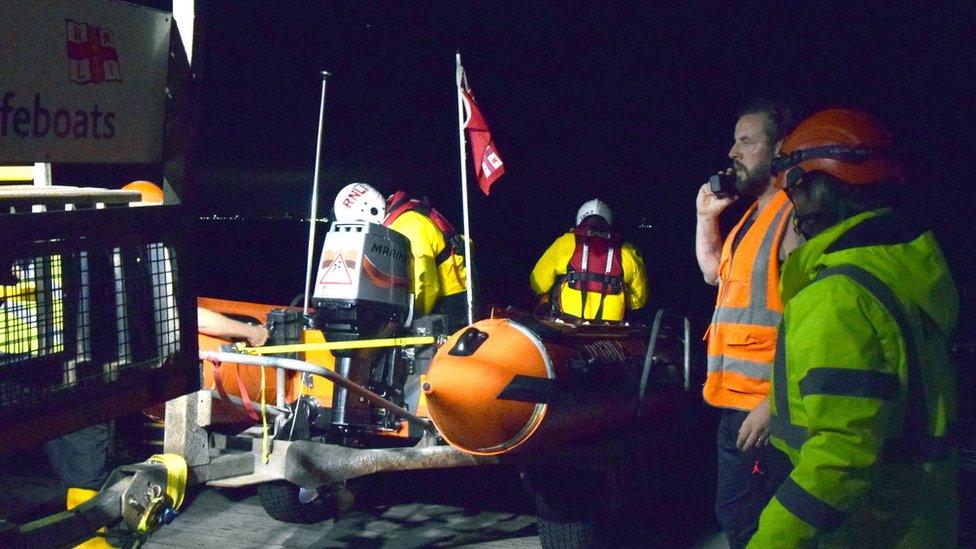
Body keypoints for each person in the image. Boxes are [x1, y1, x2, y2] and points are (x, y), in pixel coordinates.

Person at [747, 108, 958, 547]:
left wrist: (771, 541)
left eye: (799, 193)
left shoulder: (839, 295)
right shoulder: (902, 274)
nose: (794, 208)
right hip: (924, 521)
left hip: (864, 530)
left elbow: (841, 456)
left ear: (828, 188)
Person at [695, 100, 800, 548]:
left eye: (747, 141)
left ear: (779, 150)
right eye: (734, 140)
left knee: (755, 527)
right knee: (739, 521)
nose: (733, 151)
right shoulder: (748, 219)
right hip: (734, 402)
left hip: (764, 412)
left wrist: (773, 403)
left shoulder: (791, 216)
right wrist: (706, 217)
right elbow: (712, 271)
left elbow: (806, 318)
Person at [332, 182, 473, 331]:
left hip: (452, 302)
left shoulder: (408, 226)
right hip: (437, 299)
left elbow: (425, 283)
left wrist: (407, 321)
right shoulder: (397, 221)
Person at [529, 199, 647, 321]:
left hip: (568, 325)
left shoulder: (564, 243)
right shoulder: (627, 250)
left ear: (579, 219)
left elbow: (538, 284)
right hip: (611, 329)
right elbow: (638, 301)